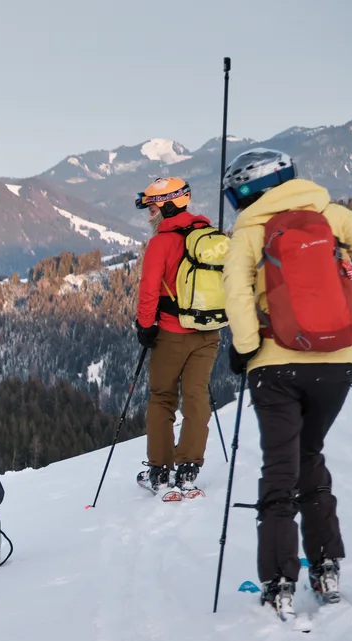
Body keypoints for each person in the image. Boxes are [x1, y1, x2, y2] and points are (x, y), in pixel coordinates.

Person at [219, 148, 352, 620]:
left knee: (280, 468)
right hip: (337, 363)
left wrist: (245, 346)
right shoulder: (333, 215)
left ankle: (279, 582)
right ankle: (326, 565)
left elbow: (235, 290)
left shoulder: (249, 231)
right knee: (309, 454)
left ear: (247, 191)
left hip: (275, 365)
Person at [134, 176, 221, 497]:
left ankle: (160, 472)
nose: (150, 217)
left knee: (162, 398)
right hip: (208, 331)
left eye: (152, 209)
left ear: (167, 206)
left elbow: (149, 290)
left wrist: (146, 326)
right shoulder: (209, 235)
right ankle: (188, 470)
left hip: (172, 332)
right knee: (196, 397)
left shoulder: (161, 243)